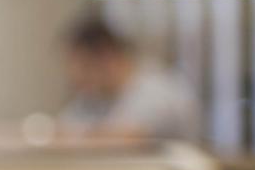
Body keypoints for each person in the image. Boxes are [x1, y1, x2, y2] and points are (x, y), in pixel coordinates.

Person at [57, 15, 199, 142]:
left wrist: (75, 135)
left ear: (105, 57)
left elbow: (127, 137)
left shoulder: (159, 88)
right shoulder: (95, 98)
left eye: (84, 67)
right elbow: (61, 130)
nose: (76, 78)